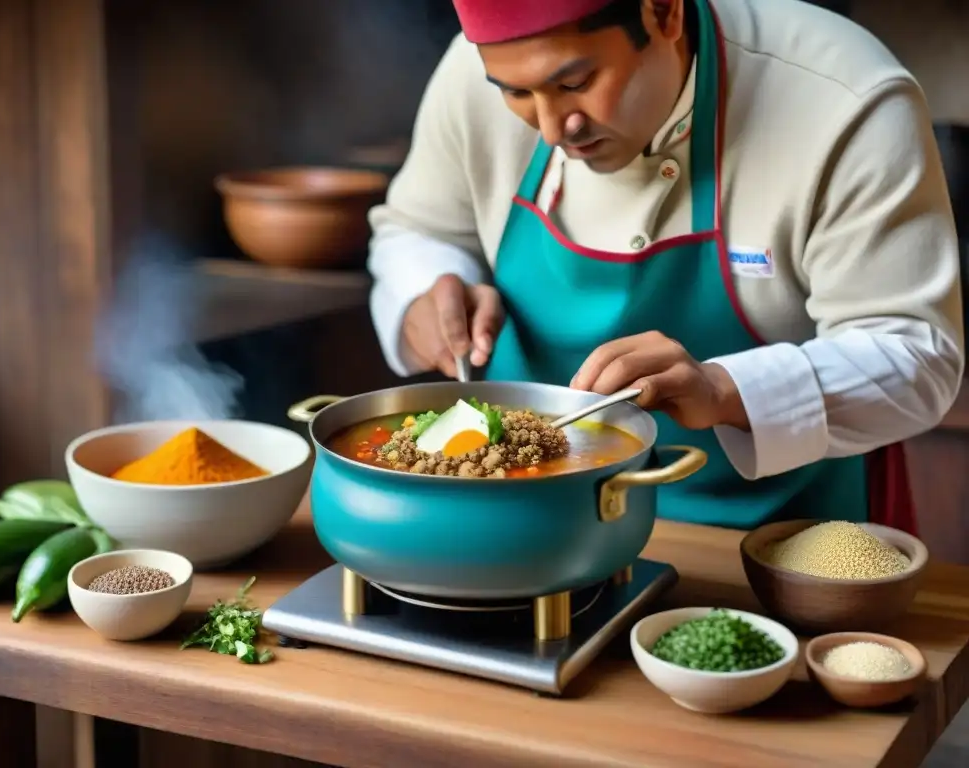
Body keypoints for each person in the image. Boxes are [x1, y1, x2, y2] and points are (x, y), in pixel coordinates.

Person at [365, 0, 964, 532]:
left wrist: (722, 389)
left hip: (778, 537)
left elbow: (916, 354)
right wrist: (424, 291)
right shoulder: (481, 68)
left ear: (664, 13)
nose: (552, 129)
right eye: (517, 94)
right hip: (534, 521)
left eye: (576, 82)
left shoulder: (842, 97)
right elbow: (418, 228)